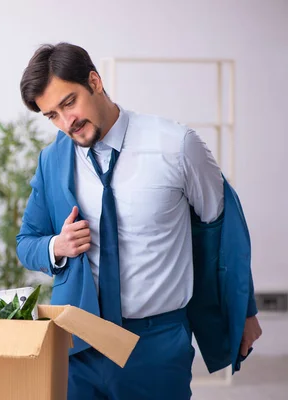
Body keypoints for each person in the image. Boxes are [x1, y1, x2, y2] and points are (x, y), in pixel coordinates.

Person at [16, 42, 262, 400]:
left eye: (69, 102)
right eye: (52, 114)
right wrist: (57, 245)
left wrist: (246, 309)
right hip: (77, 343)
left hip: (156, 344)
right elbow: (27, 242)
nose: (66, 122)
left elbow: (224, 229)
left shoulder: (176, 145)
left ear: (95, 82)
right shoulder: (53, 159)